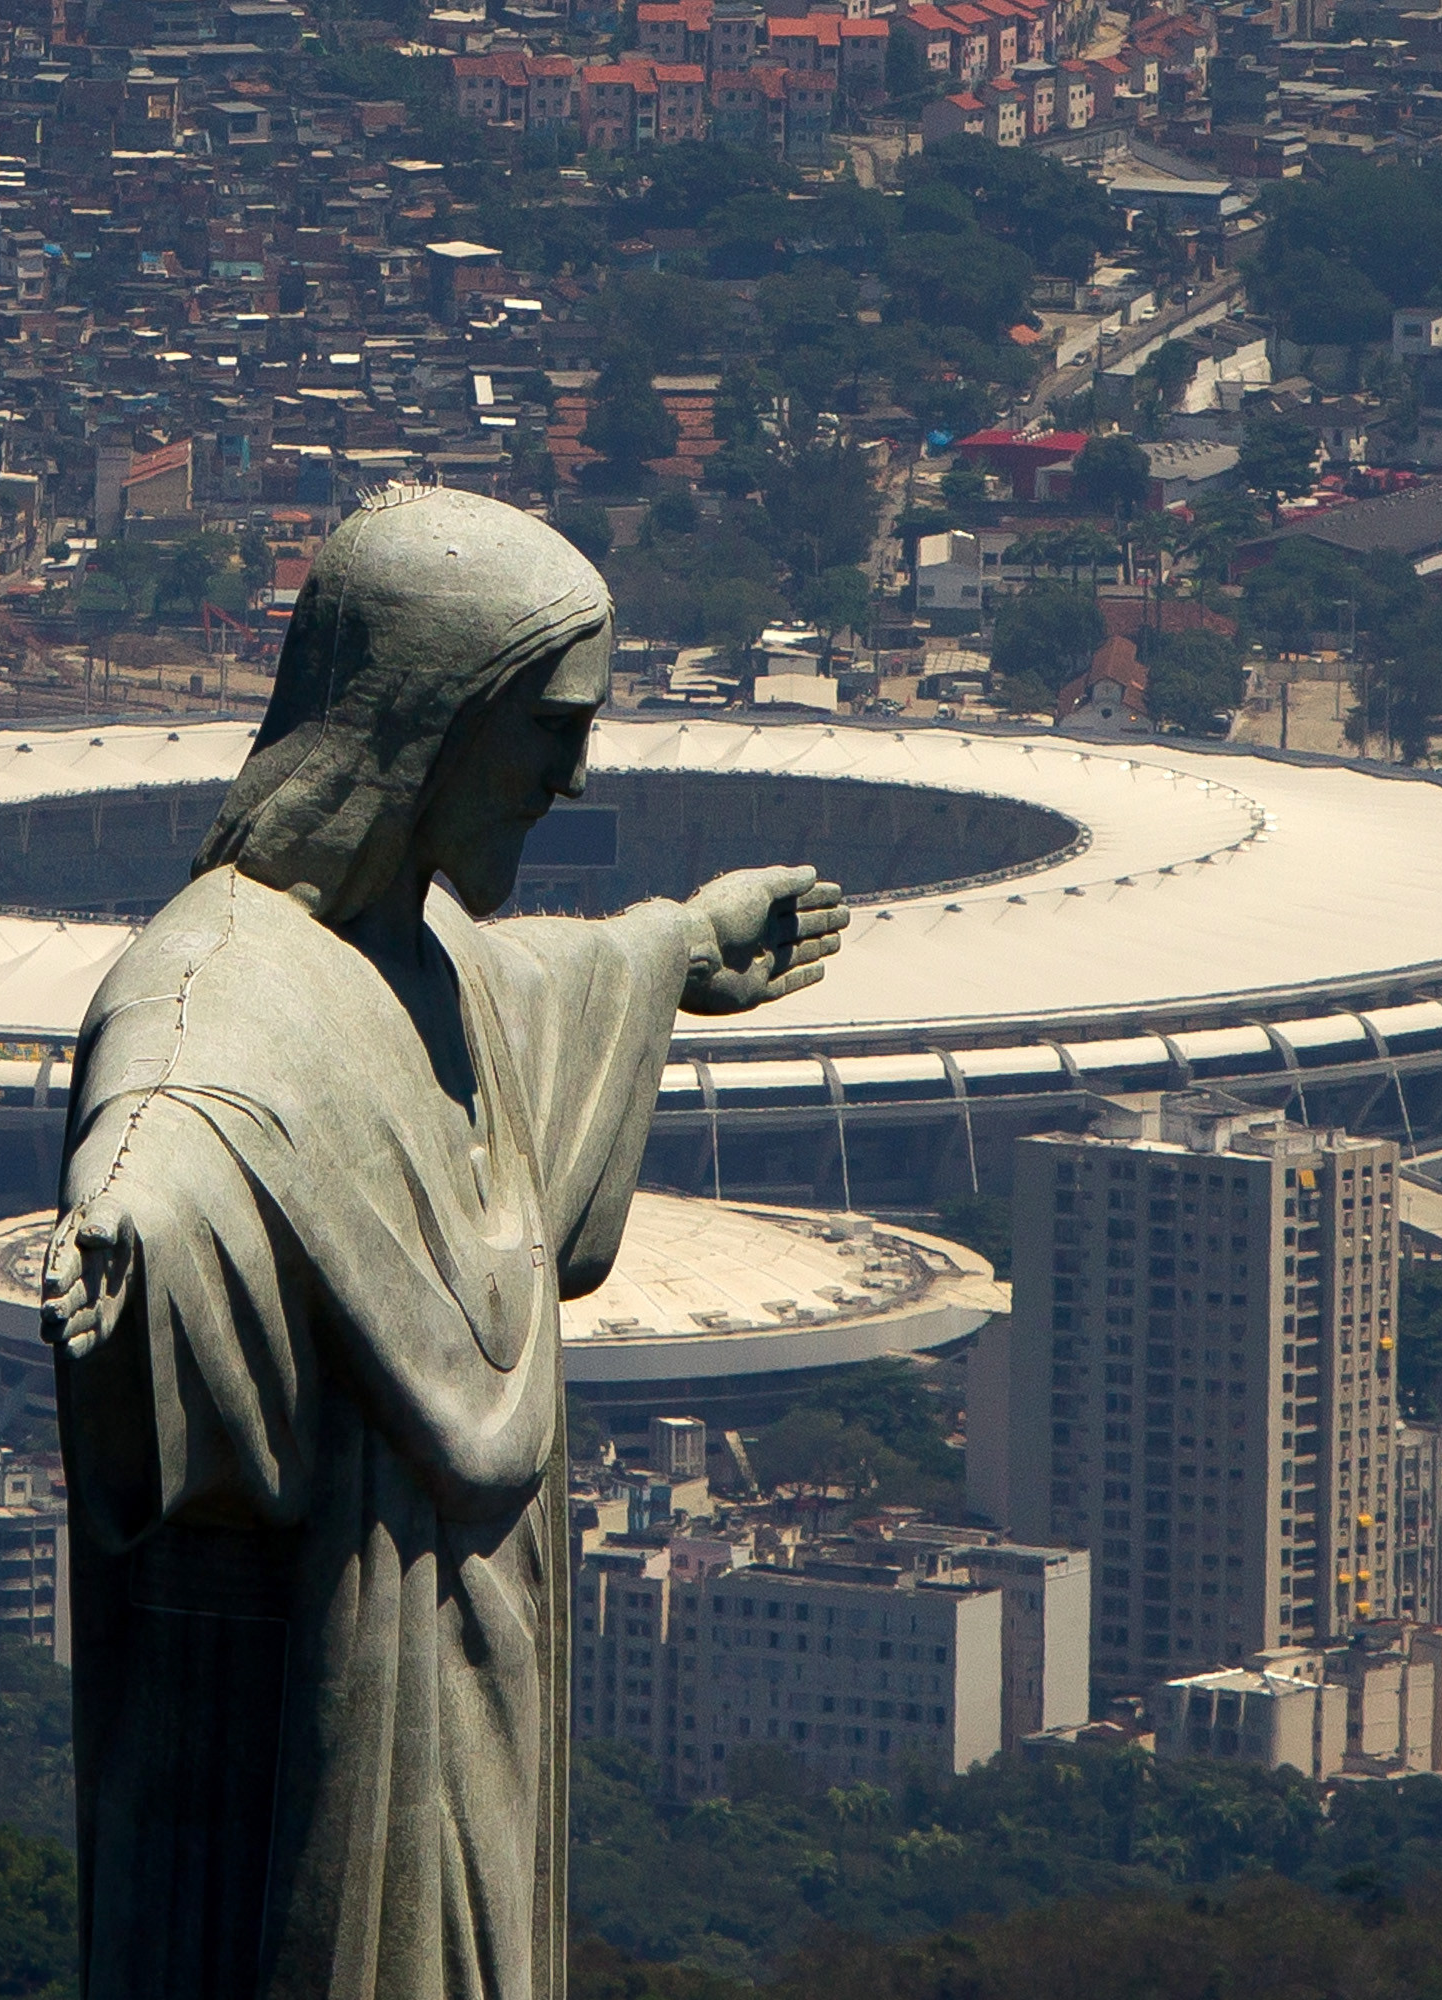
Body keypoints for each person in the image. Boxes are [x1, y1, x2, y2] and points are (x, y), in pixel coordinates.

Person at [42, 485, 844, 2000]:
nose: (570, 775)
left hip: (474, 1677)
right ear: (429, 722)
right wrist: (127, 1241)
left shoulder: (418, 951)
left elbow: (504, 1000)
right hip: (344, 1694)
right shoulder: (220, 983)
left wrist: (671, 953)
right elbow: (173, 1121)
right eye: (550, 727)